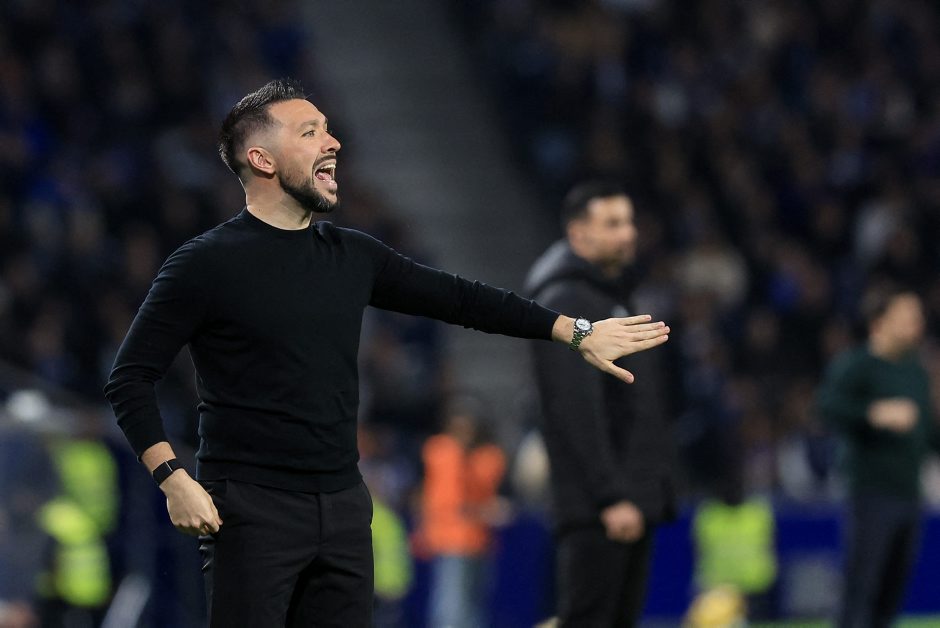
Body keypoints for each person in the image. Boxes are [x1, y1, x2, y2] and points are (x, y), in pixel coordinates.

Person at [103, 79, 670, 627]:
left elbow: (462, 299)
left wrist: (574, 331)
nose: (333, 142)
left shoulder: (352, 255)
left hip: (344, 507)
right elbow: (129, 378)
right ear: (262, 159)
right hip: (251, 509)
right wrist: (173, 477)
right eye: (309, 132)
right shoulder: (204, 263)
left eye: (328, 129)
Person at [524, 181, 678, 627]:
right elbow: (572, 408)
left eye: (628, 221)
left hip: (627, 497)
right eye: (612, 224)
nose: (628, 233)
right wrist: (610, 496)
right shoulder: (567, 302)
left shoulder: (611, 294)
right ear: (579, 234)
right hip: (602, 507)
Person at [817, 284, 939, 628]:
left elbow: (925, 432)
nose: (917, 323)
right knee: (862, 588)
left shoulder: (915, 371)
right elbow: (826, 406)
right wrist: (873, 413)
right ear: (879, 322)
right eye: (907, 316)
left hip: (909, 492)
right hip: (870, 492)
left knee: (892, 591)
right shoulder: (857, 364)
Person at [416, 398, 508, 628]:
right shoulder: (442, 451)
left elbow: (489, 490)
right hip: (450, 540)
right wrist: (486, 511)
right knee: (451, 607)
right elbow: (453, 502)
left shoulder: (488, 456)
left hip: (479, 541)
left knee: (474, 607)